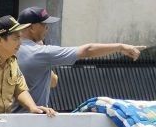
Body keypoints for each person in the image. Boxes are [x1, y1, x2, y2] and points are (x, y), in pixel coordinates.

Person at [12, 7, 146, 111]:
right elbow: (87, 50)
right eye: (44, 24)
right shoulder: (41, 52)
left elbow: (53, 82)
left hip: (8, 116)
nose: (47, 28)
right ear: (32, 27)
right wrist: (120, 46)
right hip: (31, 118)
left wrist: (45, 64)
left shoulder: (10, 49)